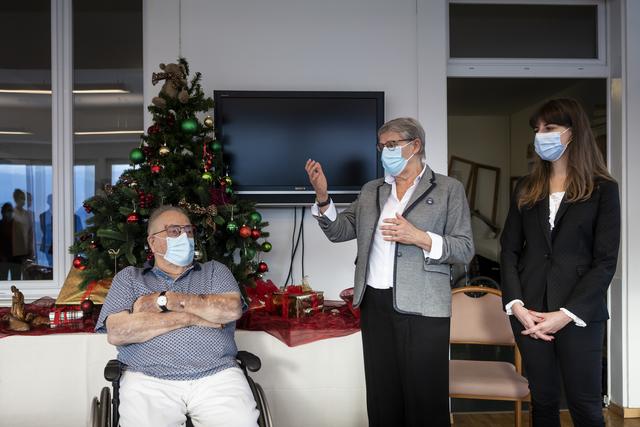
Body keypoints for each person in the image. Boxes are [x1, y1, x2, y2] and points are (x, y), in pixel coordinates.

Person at [305, 117, 474, 427]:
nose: (385, 152)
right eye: (381, 147)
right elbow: (340, 231)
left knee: (425, 397)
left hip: (425, 308)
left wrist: (419, 237)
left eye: (392, 145)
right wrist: (322, 197)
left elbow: (464, 249)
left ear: (416, 146)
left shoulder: (449, 189)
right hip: (375, 304)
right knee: (383, 396)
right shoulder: (372, 191)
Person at [500, 98, 620, 427]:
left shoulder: (603, 190)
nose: (541, 135)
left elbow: (605, 261)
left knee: (585, 406)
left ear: (573, 132)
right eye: (537, 129)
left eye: (549, 128)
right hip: (530, 313)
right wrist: (515, 305)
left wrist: (565, 314)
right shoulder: (526, 188)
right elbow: (509, 251)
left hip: (580, 315)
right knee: (543, 401)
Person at [96, 205, 259, 427]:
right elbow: (118, 332)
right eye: (174, 231)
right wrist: (195, 316)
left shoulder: (215, 271)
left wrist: (166, 301)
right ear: (153, 242)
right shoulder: (129, 279)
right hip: (147, 378)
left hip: (217, 375)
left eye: (188, 231)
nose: (184, 236)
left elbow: (230, 310)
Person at [11, 189, 34, 278]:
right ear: (15, 199)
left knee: (27, 276)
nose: (23, 201)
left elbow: (30, 233)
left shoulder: (28, 214)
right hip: (14, 251)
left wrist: (31, 250)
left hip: (26, 251)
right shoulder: (12, 213)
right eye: (21, 198)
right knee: (15, 276)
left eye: (24, 198)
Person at [0, 202, 19, 280]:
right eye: (8, 211)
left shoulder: (17, 225)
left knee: (16, 282)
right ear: (3, 212)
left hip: (16, 260)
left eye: (11, 211)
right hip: (2, 259)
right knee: (2, 281)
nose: (9, 213)